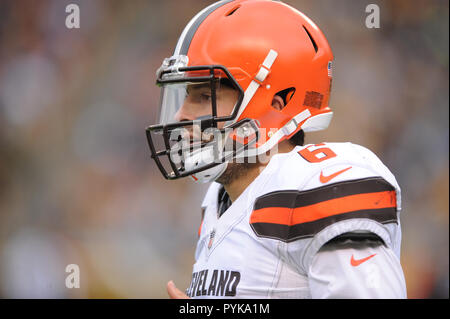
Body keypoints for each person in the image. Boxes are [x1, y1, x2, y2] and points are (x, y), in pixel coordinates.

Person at [146, 0, 407, 298]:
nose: (181, 115)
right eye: (186, 96)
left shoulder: (317, 187)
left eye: (205, 96)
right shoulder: (219, 201)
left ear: (277, 104)